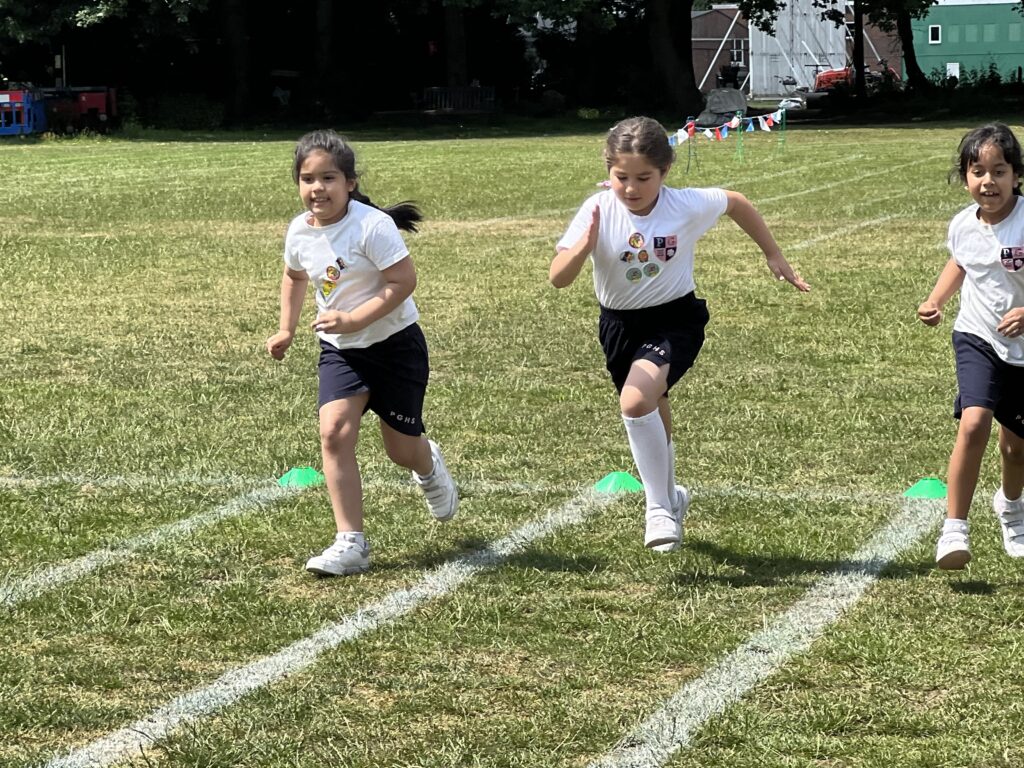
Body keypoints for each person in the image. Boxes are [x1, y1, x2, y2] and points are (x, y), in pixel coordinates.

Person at [550, 116, 809, 552]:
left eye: (643, 178)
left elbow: (736, 202)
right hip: (617, 324)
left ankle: (657, 508)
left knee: (634, 401)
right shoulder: (596, 210)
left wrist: (773, 254)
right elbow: (558, 278)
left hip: (675, 319)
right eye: (621, 177)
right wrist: (581, 246)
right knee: (651, 405)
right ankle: (673, 496)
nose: (631, 189)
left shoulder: (685, 204)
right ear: (608, 170)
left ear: (665, 172)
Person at [266, 129, 458, 576]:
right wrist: (285, 329)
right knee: (333, 432)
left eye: (329, 178)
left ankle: (428, 466)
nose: (318, 188)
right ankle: (350, 542)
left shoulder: (372, 225)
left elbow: (403, 282)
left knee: (401, 451)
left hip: (395, 347)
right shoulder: (298, 232)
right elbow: (294, 278)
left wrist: (355, 319)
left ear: (350, 183)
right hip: (341, 351)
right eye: (308, 179)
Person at [918, 122, 1024, 570]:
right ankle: (954, 530)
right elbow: (960, 262)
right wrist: (936, 299)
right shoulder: (962, 224)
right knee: (974, 421)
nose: (988, 181)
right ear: (965, 176)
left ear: (1016, 175)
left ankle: (1012, 507)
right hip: (976, 335)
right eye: (977, 171)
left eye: (999, 171)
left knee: (1015, 449)